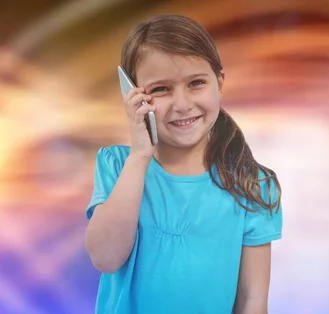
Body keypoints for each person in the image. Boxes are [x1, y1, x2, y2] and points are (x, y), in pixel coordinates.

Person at [84, 14, 283, 314]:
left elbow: (252, 299)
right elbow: (106, 257)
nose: (182, 104)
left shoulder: (253, 185)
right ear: (132, 95)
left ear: (219, 82)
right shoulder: (118, 165)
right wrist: (140, 156)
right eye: (161, 89)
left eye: (196, 83)